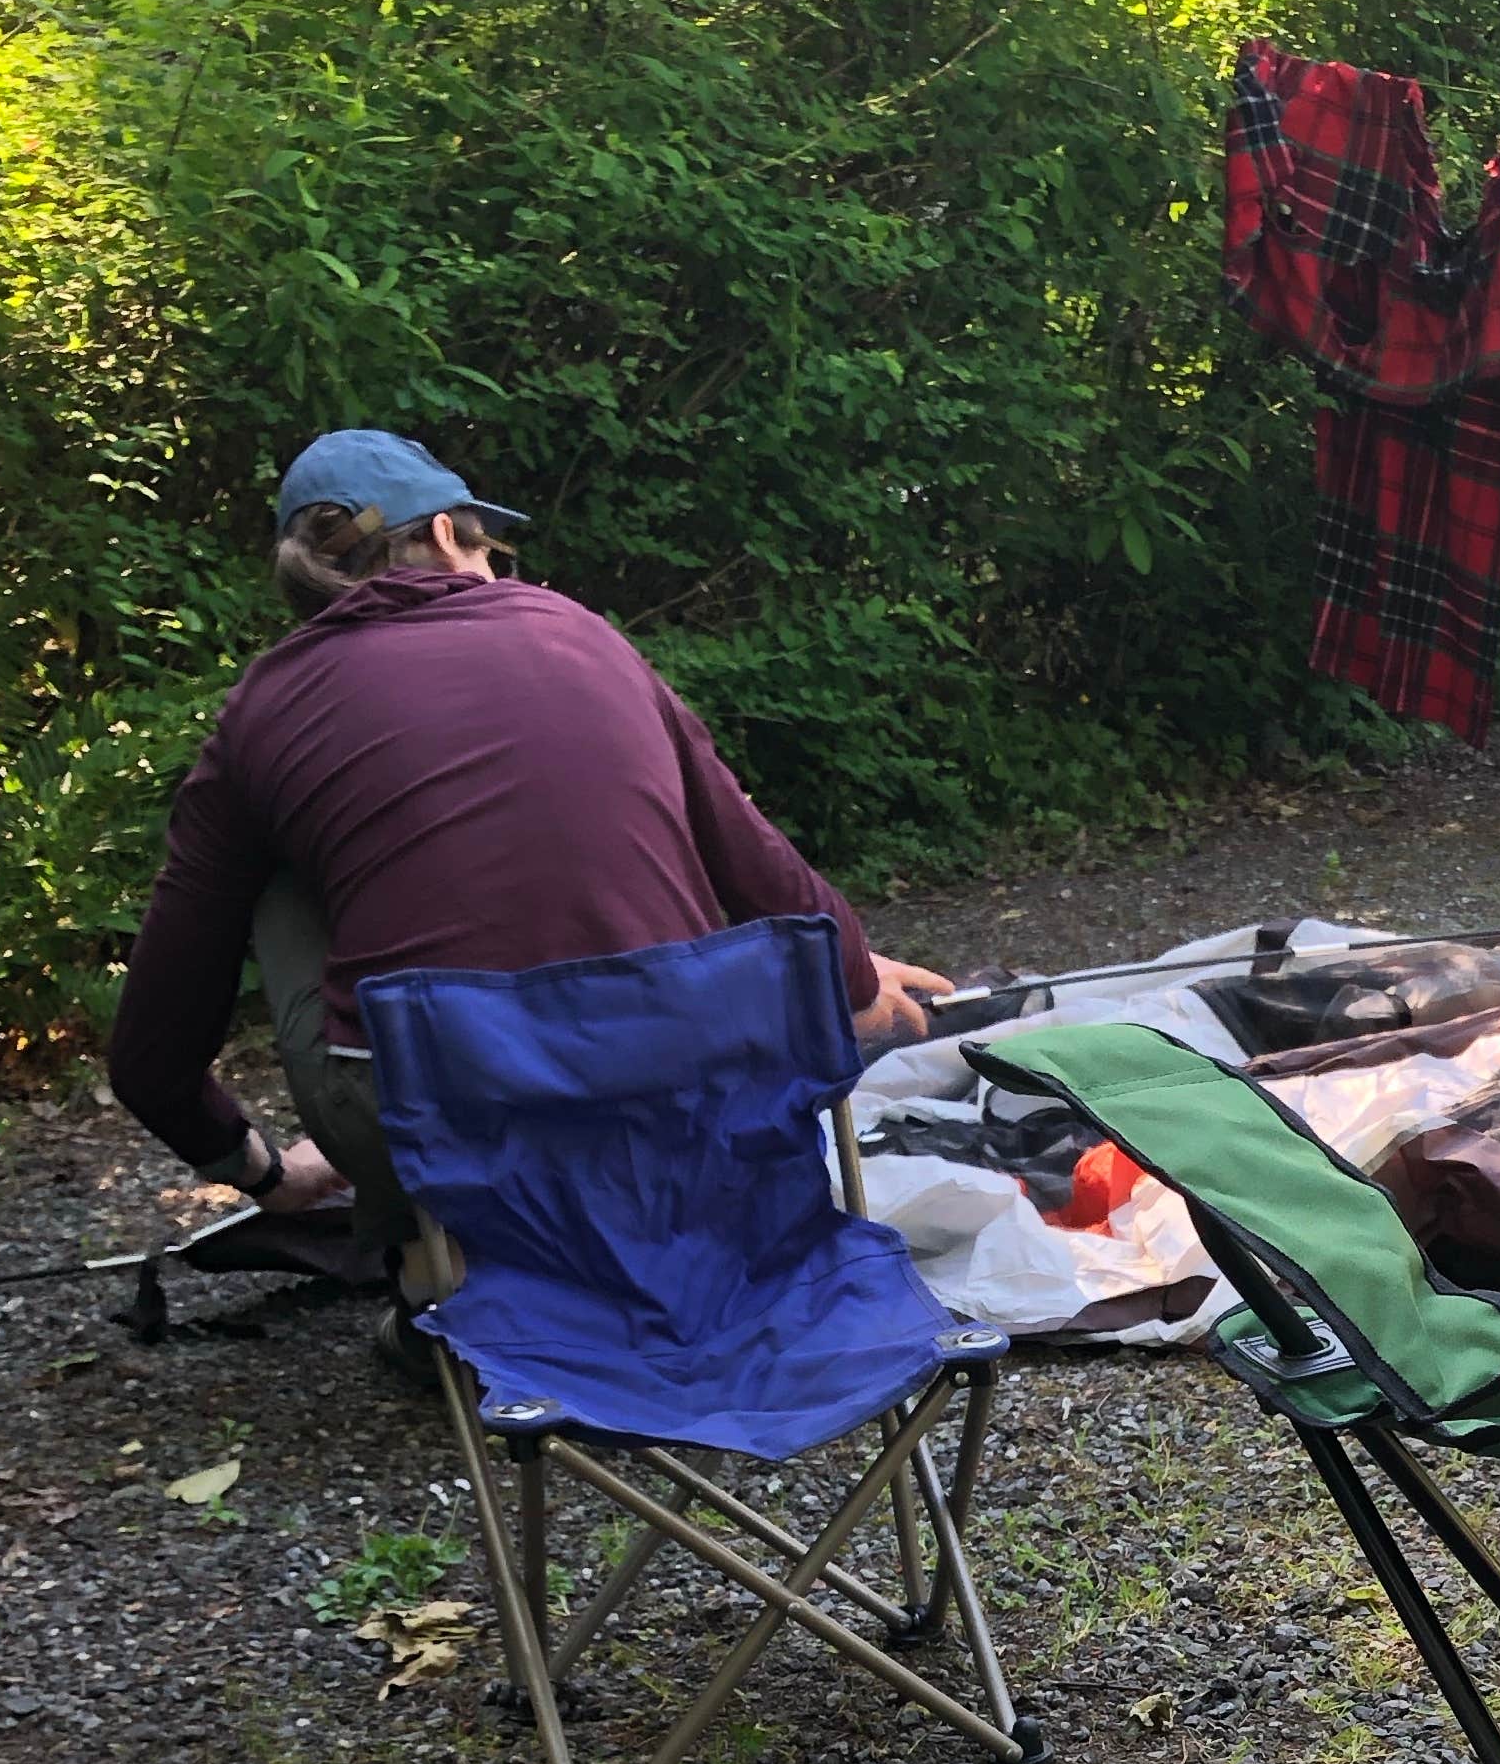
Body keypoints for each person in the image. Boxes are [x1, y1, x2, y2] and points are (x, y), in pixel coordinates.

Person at [107, 428, 954, 1249]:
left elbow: (151, 1056)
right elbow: (752, 855)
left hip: (444, 1121)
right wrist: (849, 976)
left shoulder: (263, 709)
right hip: (681, 1087)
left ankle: (428, 1242)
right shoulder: (578, 631)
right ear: (448, 534)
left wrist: (261, 1173)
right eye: (490, 549)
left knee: (276, 856)